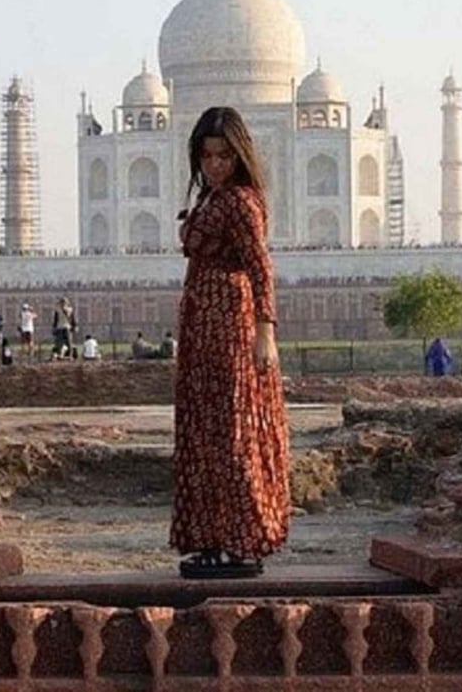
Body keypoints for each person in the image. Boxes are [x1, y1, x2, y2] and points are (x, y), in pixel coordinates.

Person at [171, 106, 289, 579]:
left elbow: (260, 266)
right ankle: (216, 538)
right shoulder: (213, 198)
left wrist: (265, 331)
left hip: (232, 329)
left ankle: (242, 543)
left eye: (224, 155)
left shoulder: (239, 201)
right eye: (208, 155)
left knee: (233, 434)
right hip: (205, 329)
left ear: (240, 155)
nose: (216, 164)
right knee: (210, 433)